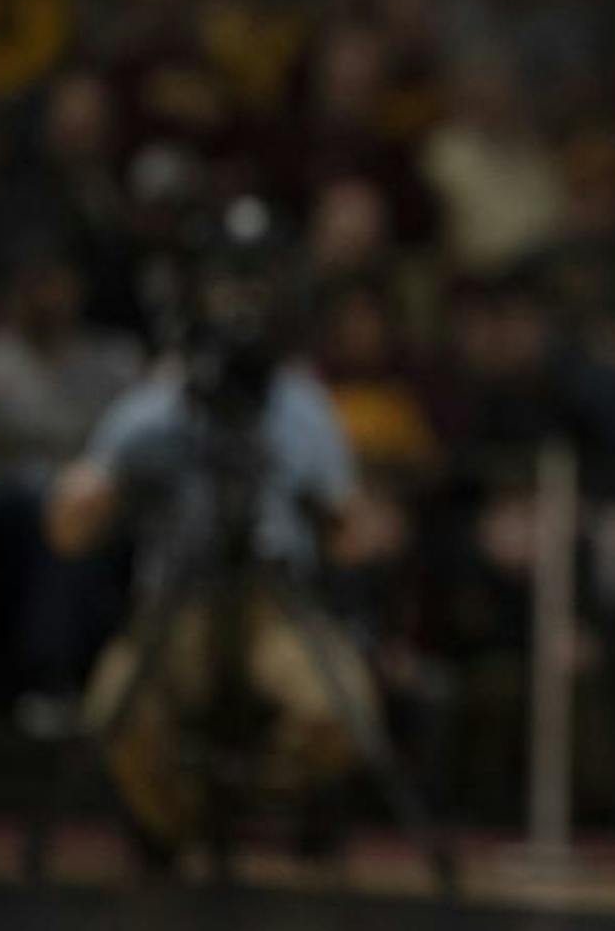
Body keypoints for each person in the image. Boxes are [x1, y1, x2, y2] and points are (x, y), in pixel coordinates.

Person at [45, 198, 396, 866]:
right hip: (178, 600)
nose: (243, 301)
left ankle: (254, 802)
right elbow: (68, 530)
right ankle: (180, 821)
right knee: (115, 711)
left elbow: (351, 535)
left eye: (257, 282)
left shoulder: (301, 404)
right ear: (199, 290)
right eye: (230, 281)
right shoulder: (158, 403)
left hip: (272, 601)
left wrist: (353, 517)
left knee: (340, 712)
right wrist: (115, 473)